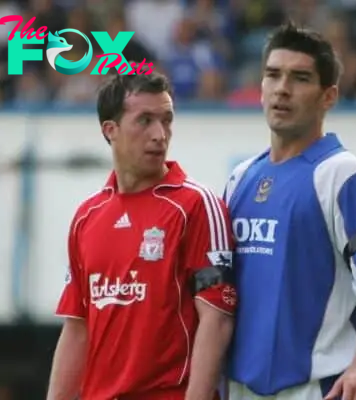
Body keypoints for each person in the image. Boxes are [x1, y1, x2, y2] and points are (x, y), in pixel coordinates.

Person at [222, 22, 356, 400]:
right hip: (238, 387)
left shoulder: (344, 174)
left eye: (300, 78)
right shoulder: (239, 179)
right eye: (273, 75)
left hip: (314, 388)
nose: (282, 88)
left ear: (329, 96)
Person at [46, 72, 236, 400]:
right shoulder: (86, 217)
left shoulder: (195, 205)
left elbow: (216, 320)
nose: (160, 135)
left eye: (167, 120)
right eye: (145, 121)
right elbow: (77, 328)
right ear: (111, 130)